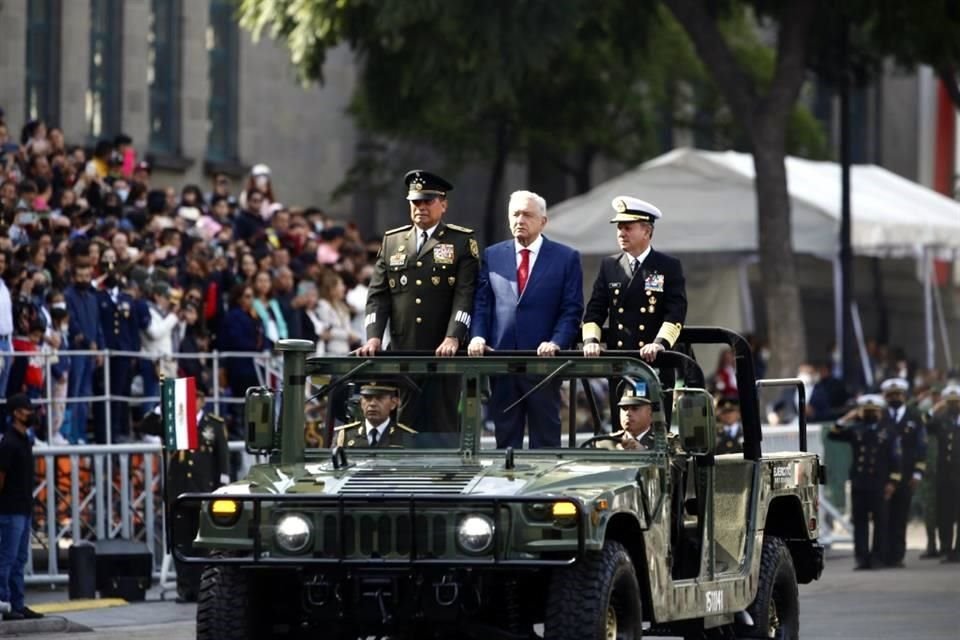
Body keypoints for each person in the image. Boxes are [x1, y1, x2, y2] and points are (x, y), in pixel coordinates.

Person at [358, 171, 478, 438]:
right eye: (416, 202)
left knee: (443, 425)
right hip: (403, 351)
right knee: (402, 427)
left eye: (428, 201)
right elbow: (378, 295)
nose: (421, 207)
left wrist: (453, 337)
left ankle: (445, 479)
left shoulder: (460, 241)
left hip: (443, 353)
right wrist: (374, 337)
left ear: (443, 204)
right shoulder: (393, 241)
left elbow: (465, 294)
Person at [468, 190, 583, 448]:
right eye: (515, 214)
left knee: (546, 441)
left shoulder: (566, 258)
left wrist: (556, 342)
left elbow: (571, 309)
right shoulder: (492, 255)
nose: (520, 220)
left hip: (543, 363)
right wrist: (478, 335)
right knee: (505, 441)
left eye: (527, 215)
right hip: (502, 361)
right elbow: (483, 303)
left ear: (543, 221)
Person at [582, 196, 687, 365]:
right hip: (619, 360)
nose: (621, 233)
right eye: (619, 228)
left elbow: (676, 312)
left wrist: (660, 344)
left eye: (628, 228)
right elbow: (595, 310)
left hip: (654, 359)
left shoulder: (668, 266)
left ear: (646, 231)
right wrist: (591, 341)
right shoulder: (609, 265)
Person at [828, 394, 901, 570]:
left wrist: (893, 482)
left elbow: (896, 459)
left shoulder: (888, 432)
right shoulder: (856, 429)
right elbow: (833, 434)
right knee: (860, 523)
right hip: (859, 483)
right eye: (866, 411)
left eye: (873, 411)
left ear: (880, 412)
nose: (869, 414)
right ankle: (862, 559)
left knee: (880, 522)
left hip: (879, 484)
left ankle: (877, 558)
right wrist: (848, 417)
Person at [0, 394, 44, 620]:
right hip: (10, 510)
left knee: (19, 560)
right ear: (16, 413)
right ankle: (4, 605)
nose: (31, 414)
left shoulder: (24, 439)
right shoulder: (9, 442)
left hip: (23, 509)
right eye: (27, 410)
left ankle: (17, 604)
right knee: (7, 559)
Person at [879, 377, 927, 567]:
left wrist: (918, 473)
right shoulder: (881, 416)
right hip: (885, 475)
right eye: (891, 395)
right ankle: (883, 554)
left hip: (906, 474)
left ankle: (897, 556)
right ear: (885, 397)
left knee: (900, 516)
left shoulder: (914, 417)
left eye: (898, 394)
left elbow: (921, 446)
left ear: (904, 396)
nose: (894, 398)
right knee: (884, 517)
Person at [926, 384, 960, 563]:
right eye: (951, 402)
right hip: (945, 474)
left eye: (957, 402)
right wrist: (936, 407)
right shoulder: (941, 418)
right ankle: (946, 548)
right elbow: (925, 422)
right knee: (945, 514)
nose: (954, 406)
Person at [334, 383, 417, 448]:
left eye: (380, 398)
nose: (372, 404)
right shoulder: (345, 435)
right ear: (361, 402)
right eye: (367, 398)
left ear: (393, 403)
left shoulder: (407, 437)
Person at [599, 386, 656, 451]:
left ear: (651, 414)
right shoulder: (605, 444)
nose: (628, 413)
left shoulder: (665, 444)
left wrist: (644, 452)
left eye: (635, 408)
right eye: (624, 408)